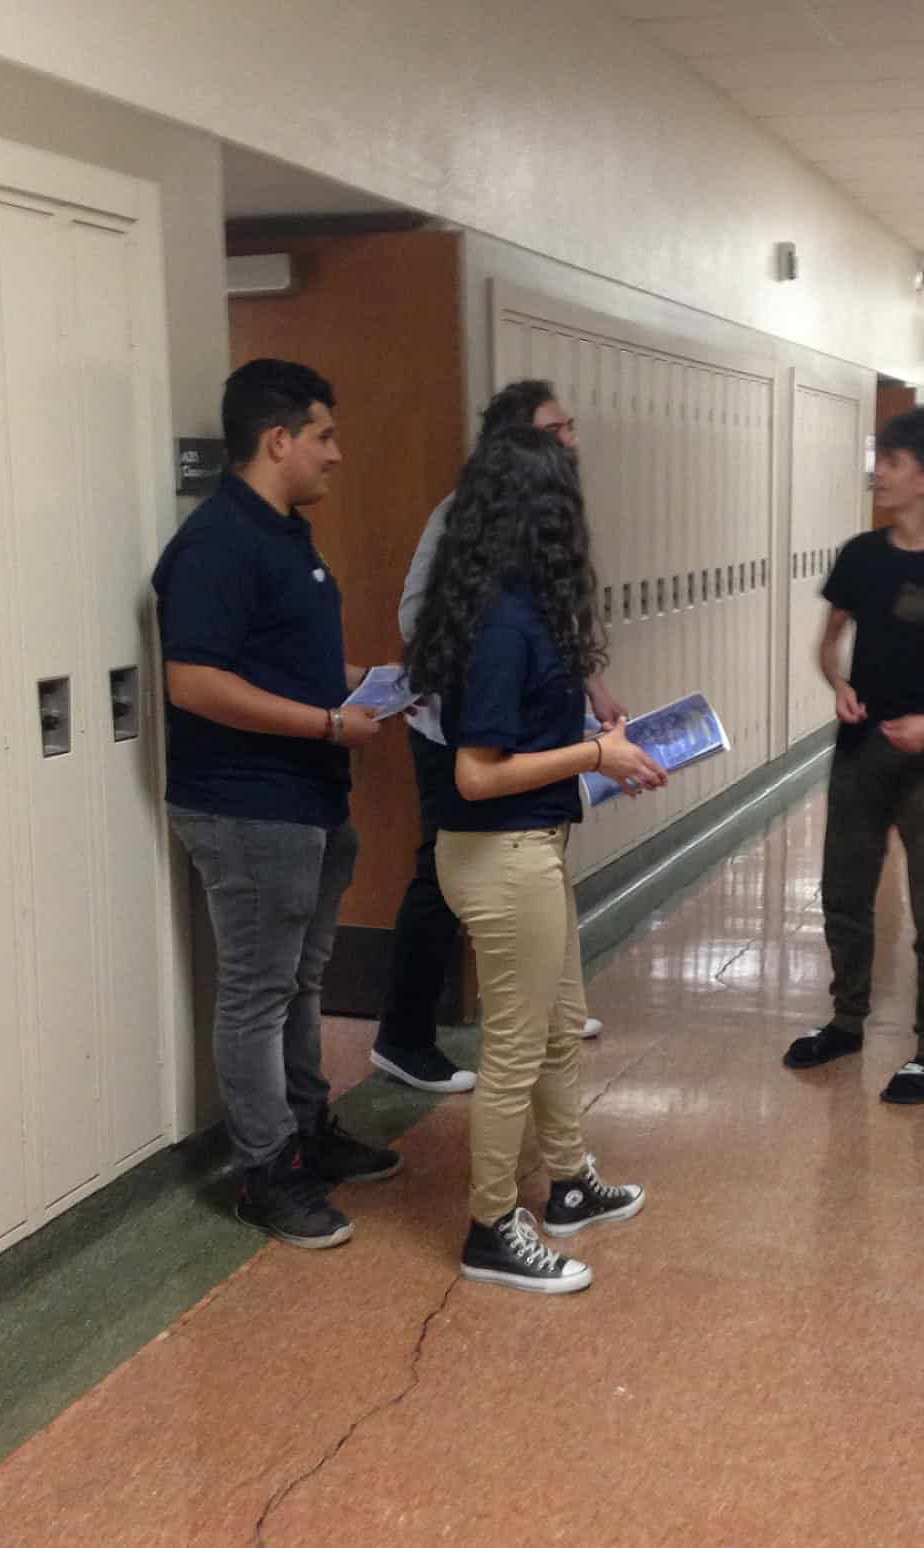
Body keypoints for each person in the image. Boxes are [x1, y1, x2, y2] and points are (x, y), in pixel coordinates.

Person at [406, 426, 667, 1293]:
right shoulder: (501, 622)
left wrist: (597, 742)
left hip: (532, 845)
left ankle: (567, 1183)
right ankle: (489, 1226)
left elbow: (518, 740)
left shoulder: (515, 605)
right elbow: (477, 774)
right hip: (499, 855)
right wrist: (597, 758)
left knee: (559, 1030)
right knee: (518, 1048)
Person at [154, 358, 402, 1251]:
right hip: (248, 807)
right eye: (325, 436)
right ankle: (266, 1170)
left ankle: (307, 1129)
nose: (336, 455)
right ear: (278, 440)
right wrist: (330, 723)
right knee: (257, 995)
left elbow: (278, 666)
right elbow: (195, 683)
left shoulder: (284, 536)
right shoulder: (218, 543)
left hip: (307, 799)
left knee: (301, 982)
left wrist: (373, 691)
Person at [371, 381, 627, 1094]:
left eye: (571, 426)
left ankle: (553, 1004)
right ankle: (404, 1036)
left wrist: (593, 690)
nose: (571, 440)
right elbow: (419, 616)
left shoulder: (551, 514)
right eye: (556, 429)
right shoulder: (461, 518)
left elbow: (565, 619)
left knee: (539, 851)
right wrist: (486, 677)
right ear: (515, 443)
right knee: (441, 873)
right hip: (456, 727)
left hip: (530, 722)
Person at [783, 406, 924, 1105]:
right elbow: (827, 642)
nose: (880, 472)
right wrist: (838, 684)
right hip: (861, 749)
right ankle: (846, 1020)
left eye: (894, 463)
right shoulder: (860, 556)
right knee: (845, 892)